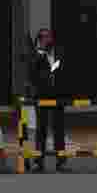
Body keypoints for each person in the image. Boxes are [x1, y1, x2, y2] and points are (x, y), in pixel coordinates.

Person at [25, 28, 68, 173]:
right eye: (46, 38)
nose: (49, 40)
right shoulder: (35, 55)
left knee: (59, 129)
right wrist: (41, 55)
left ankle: (61, 160)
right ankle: (38, 161)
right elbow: (32, 75)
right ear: (40, 40)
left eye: (50, 37)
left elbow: (64, 71)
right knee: (41, 129)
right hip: (42, 96)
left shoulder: (58, 53)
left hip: (58, 96)